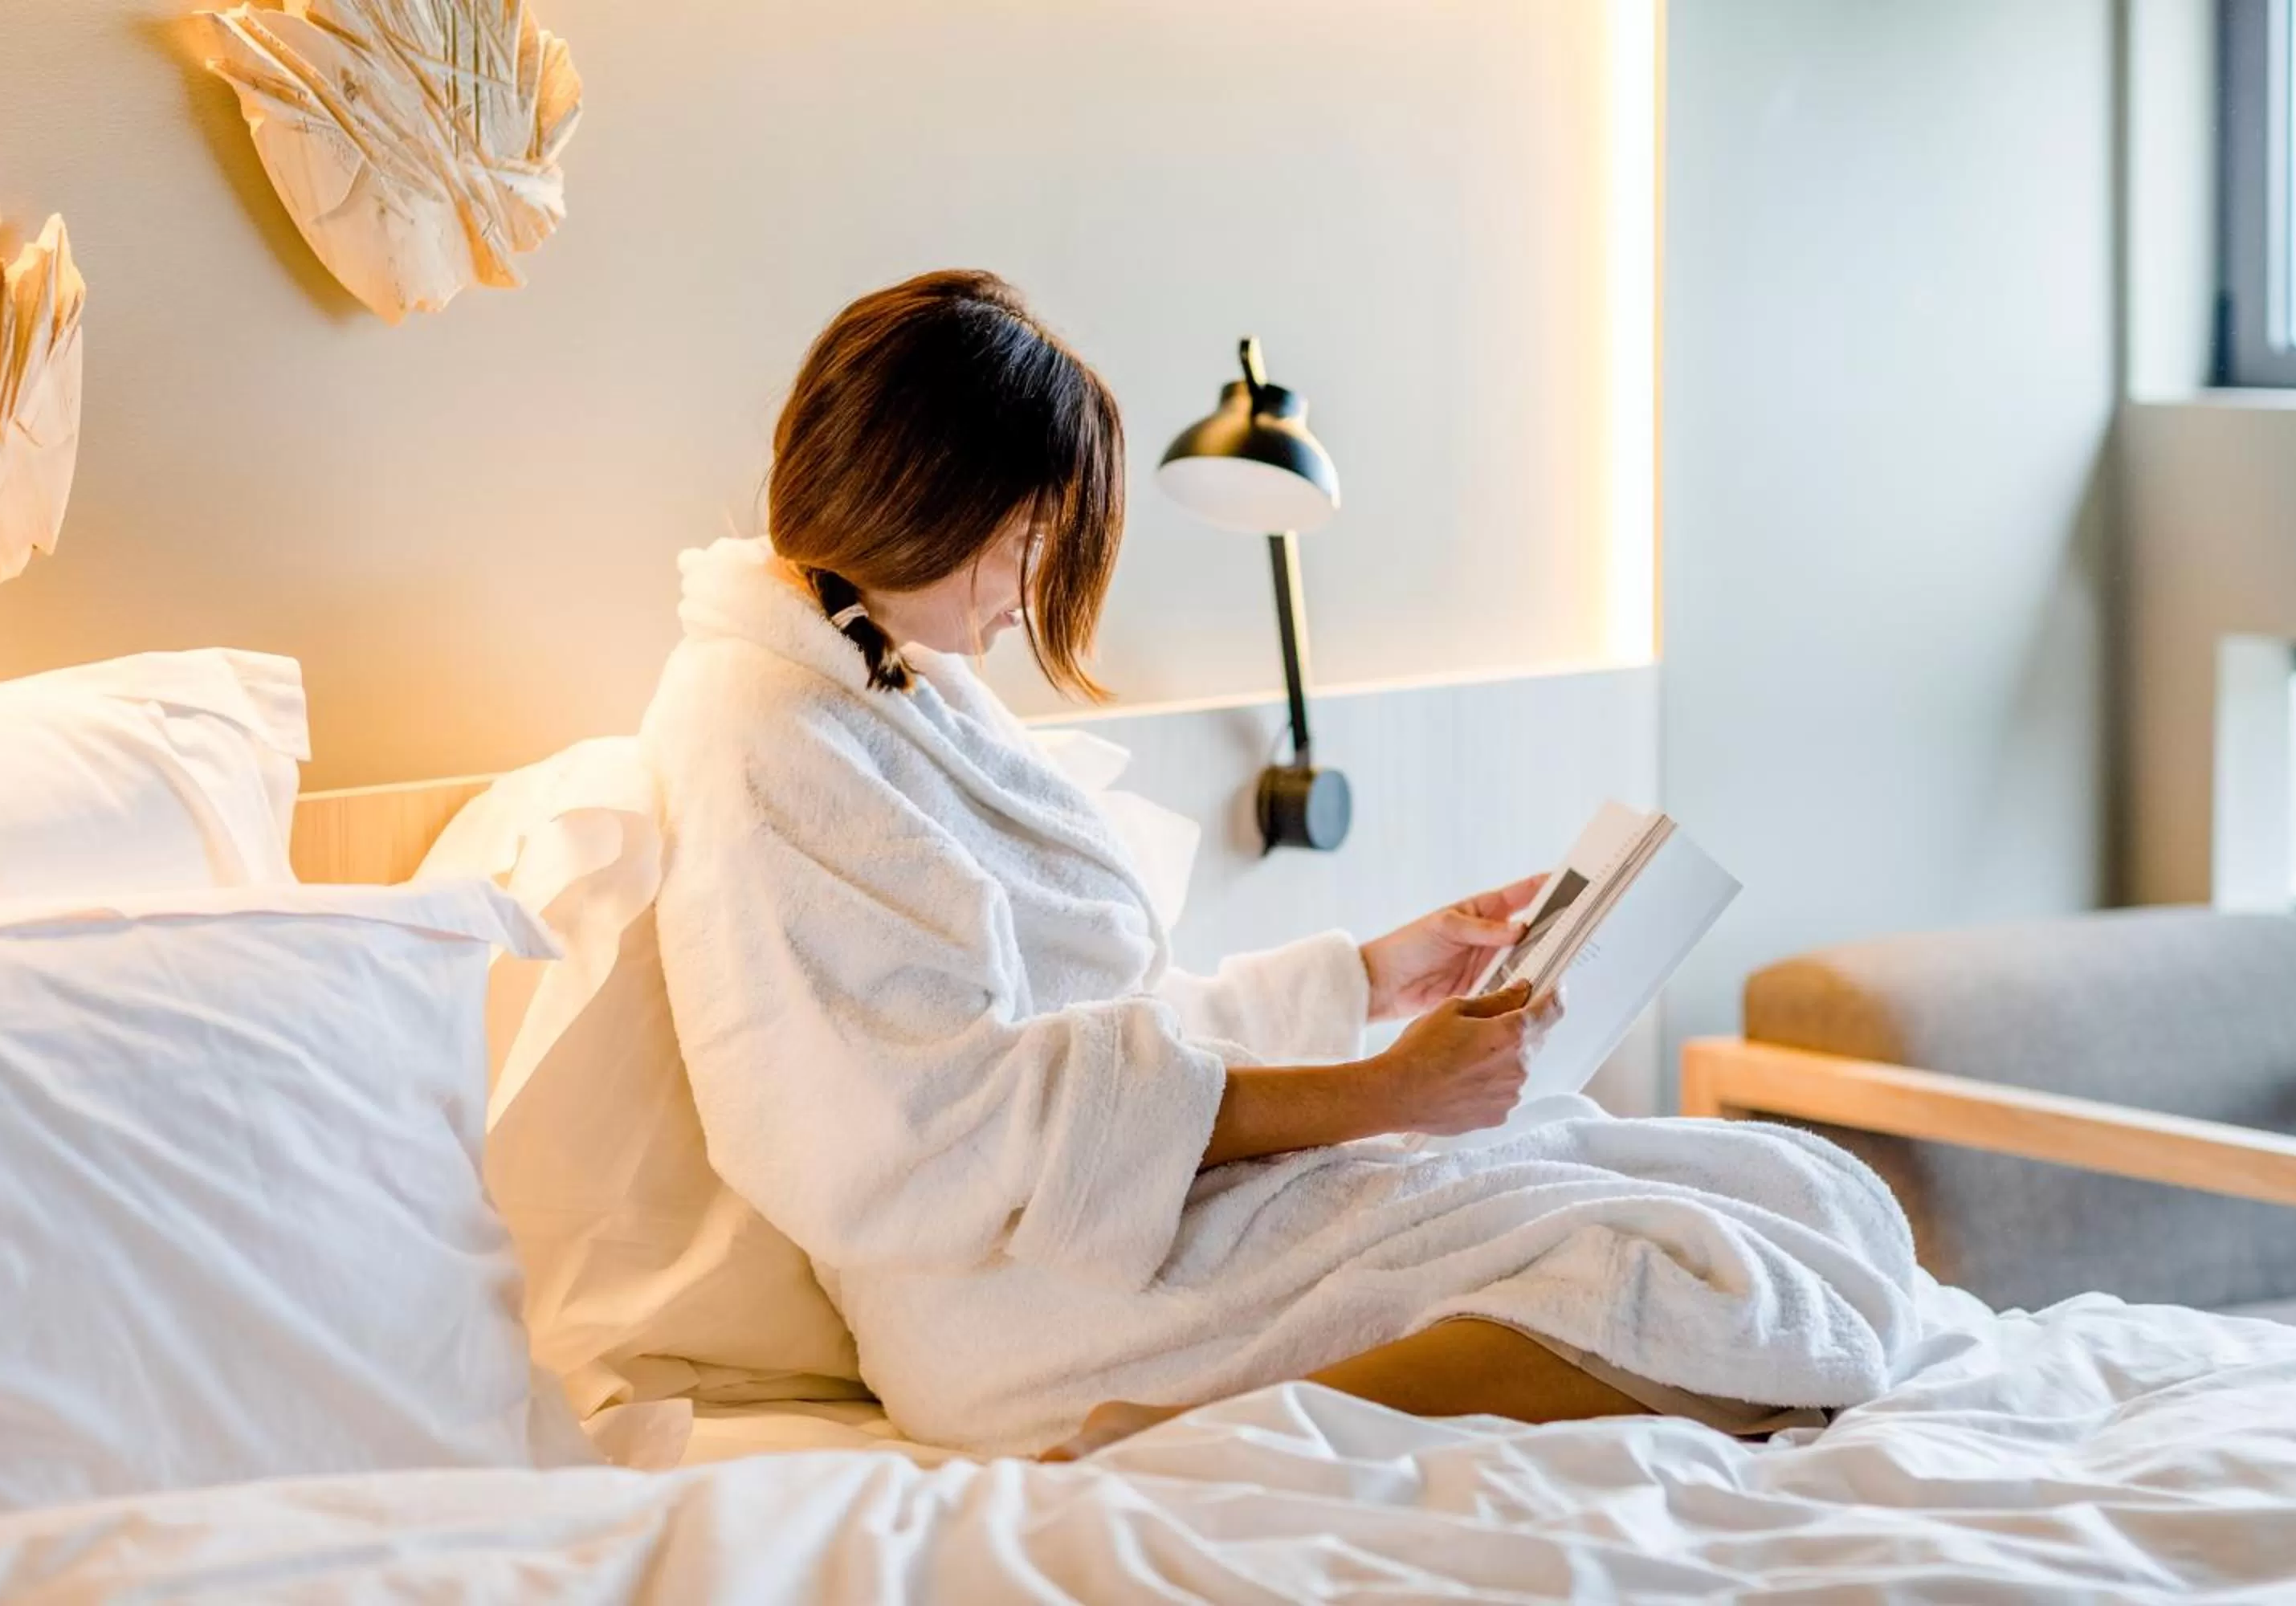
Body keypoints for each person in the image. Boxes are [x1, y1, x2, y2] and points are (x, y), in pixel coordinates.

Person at [640, 269, 1919, 1461]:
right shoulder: (770, 735)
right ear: (925, 496)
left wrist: (1373, 980)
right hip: (1029, 1302)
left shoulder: (892, 680)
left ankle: (1276, 1407)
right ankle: (1183, 1434)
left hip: (1129, 1226)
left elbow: (1111, 1031)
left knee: (1810, 1201)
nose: (1030, 595)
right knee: (1705, 1283)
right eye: (1028, 540)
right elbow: (939, 1129)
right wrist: (1385, 1096)